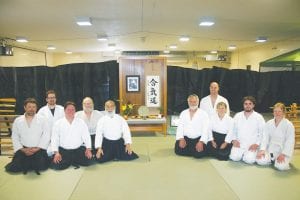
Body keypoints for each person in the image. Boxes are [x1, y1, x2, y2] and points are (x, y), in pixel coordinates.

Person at [5, 98, 50, 175]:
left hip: (38, 149)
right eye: (29, 107)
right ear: (25, 107)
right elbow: (15, 136)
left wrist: (38, 148)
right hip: (24, 149)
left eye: (34, 107)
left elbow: (46, 134)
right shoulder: (18, 120)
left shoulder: (42, 119)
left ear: (36, 108)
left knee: (42, 166)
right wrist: (22, 149)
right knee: (14, 168)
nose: (32, 109)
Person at [50, 101, 93, 170]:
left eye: (72, 109)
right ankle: (71, 161)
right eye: (68, 109)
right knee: (56, 166)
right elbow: (54, 139)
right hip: (64, 150)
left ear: (75, 111)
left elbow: (86, 136)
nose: (70, 111)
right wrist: (56, 153)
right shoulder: (58, 123)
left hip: (78, 149)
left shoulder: (81, 122)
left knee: (89, 161)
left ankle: (71, 161)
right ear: (64, 110)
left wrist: (88, 149)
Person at [256, 103, 295, 170]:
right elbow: (265, 138)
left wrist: (283, 154)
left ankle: (280, 160)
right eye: (275, 111)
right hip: (271, 150)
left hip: (282, 151)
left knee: (281, 167)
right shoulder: (269, 123)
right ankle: (272, 160)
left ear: (283, 112)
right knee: (260, 160)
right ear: (273, 112)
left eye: (279, 111)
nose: (277, 113)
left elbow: (290, 141)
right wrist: (262, 150)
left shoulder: (289, 125)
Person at [229, 96, 265, 164]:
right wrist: (234, 140)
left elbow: (262, 133)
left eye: (250, 104)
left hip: (252, 145)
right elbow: (232, 130)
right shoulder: (238, 116)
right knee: (234, 158)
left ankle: (247, 155)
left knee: (249, 160)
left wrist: (257, 144)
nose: (248, 105)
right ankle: (241, 154)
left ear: (253, 105)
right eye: (246, 104)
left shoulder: (259, 117)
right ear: (243, 105)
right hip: (239, 144)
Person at [174, 94, 210, 158]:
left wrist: (201, 141)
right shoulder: (183, 113)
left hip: (198, 139)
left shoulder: (204, 114)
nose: (193, 103)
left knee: (199, 155)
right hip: (186, 138)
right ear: (188, 102)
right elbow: (180, 127)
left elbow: (206, 130)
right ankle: (193, 151)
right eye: (191, 101)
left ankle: (193, 150)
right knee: (178, 150)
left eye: (194, 102)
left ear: (198, 102)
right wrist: (181, 138)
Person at [37, 90, 64, 156]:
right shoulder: (41, 111)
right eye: (50, 98)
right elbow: (38, 126)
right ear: (46, 99)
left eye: (53, 97)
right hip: (47, 138)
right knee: (47, 153)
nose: (52, 99)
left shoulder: (62, 109)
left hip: (60, 137)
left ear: (56, 99)